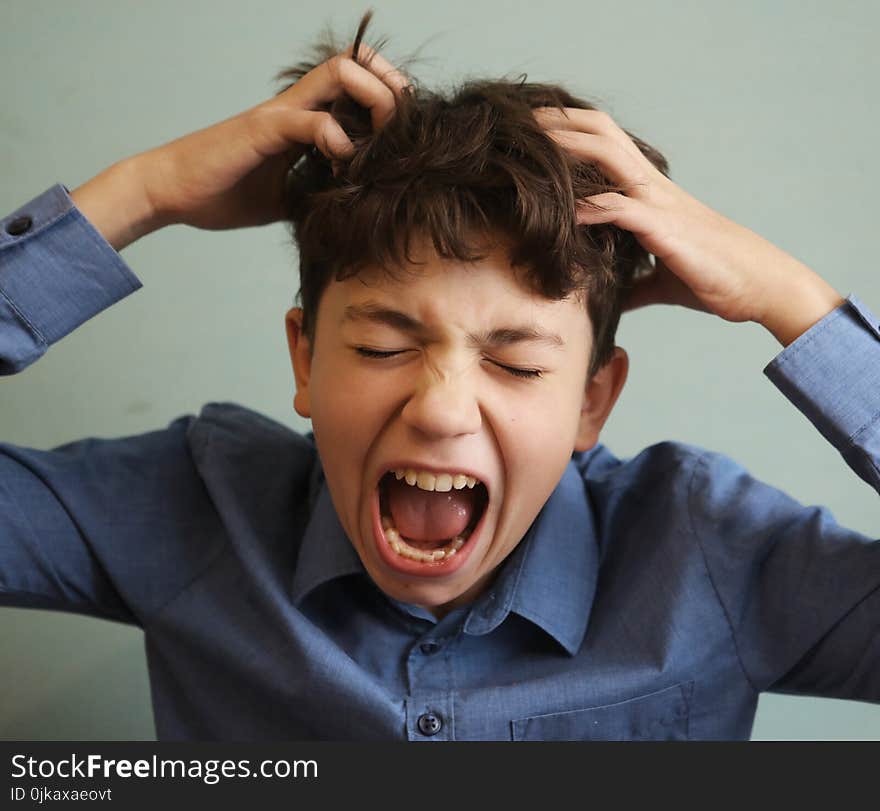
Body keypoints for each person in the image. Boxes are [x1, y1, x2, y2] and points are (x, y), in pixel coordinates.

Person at [1, 10, 877, 741]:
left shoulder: (713, 557)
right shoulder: (195, 508)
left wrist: (791, 300)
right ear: (304, 358)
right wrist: (142, 191)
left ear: (592, 398)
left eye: (519, 361)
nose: (442, 409)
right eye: (383, 347)